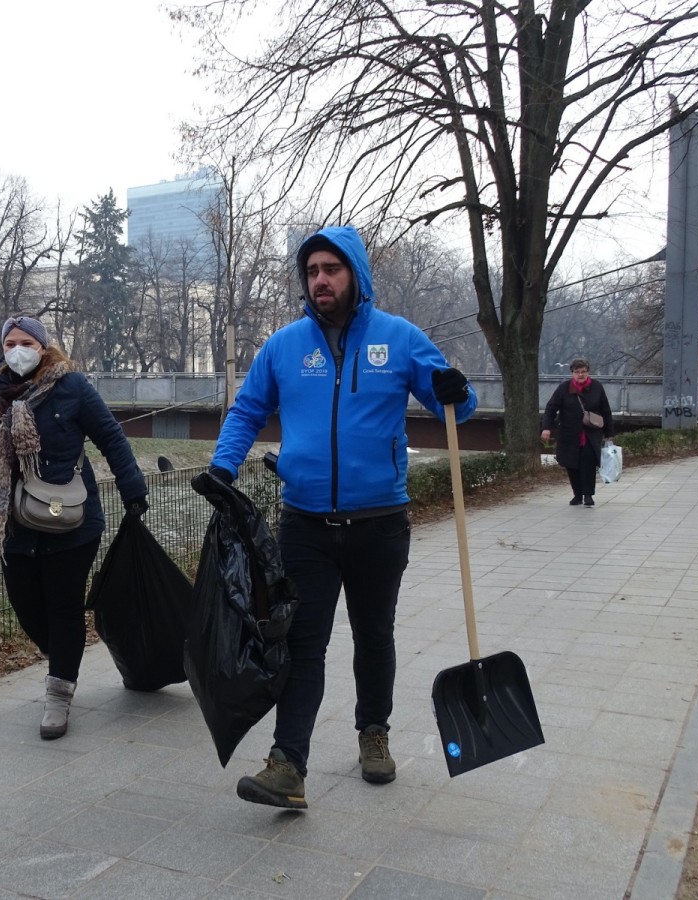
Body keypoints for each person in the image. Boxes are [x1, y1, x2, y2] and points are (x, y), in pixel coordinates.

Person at [200, 225, 478, 809]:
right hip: (305, 525)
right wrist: (223, 469)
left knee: (375, 635)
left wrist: (458, 390)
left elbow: (455, 403)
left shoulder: (399, 339)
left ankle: (373, 733)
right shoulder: (284, 347)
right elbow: (248, 410)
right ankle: (287, 765)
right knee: (304, 643)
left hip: (380, 523)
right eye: (312, 271)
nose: (320, 279)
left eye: (331, 268)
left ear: (355, 273)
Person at [0, 315, 149, 740]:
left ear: (43, 347)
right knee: (27, 607)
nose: (17, 350)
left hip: (72, 520)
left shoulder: (72, 386)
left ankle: (59, 693)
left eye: (26, 342)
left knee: (63, 607)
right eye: (9, 343)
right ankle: (64, 657)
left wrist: (133, 490)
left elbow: (112, 437)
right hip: (16, 526)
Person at [541, 357, 614, 507]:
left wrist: (609, 433)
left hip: (590, 434)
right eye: (577, 372)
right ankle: (577, 494)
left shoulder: (597, 387)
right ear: (572, 373)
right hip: (569, 434)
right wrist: (546, 427)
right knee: (572, 464)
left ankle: (588, 495)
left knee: (588, 462)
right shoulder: (564, 388)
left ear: (588, 372)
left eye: (583, 371)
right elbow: (551, 408)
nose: (580, 375)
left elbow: (606, 410)